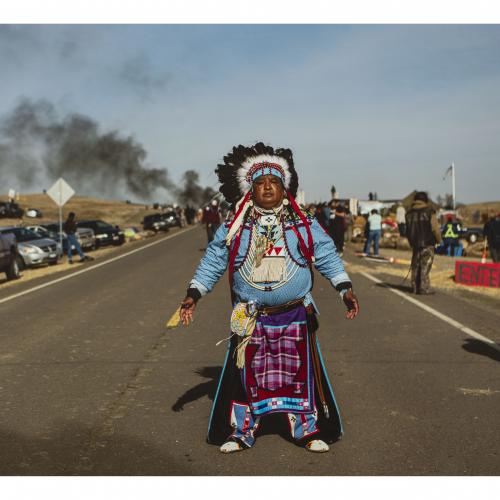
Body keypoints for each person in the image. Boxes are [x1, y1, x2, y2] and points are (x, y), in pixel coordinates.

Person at [179, 142, 359, 454]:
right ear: (250, 189)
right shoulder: (235, 224)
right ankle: (242, 432)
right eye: (260, 183)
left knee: (299, 375)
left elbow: (327, 254)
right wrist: (194, 293)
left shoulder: (302, 221)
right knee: (246, 376)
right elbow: (213, 261)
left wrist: (344, 288)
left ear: (283, 188)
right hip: (251, 316)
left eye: (273, 182)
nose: (266, 188)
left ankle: (306, 429)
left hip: (295, 314)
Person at [405, 192, 442, 294]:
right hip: (428, 243)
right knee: (425, 265)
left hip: (415, 244)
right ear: (425, 200)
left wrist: (411, 242)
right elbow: (435, 229)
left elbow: (407, 231)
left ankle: (414, 287)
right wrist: (439, 240)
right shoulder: (430, 212)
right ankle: (424, 288)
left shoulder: (409, 214)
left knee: (415, 265)